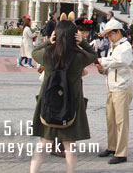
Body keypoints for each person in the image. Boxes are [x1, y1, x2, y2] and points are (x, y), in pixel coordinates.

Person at [29, 20, 97, 173]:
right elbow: (93, 56)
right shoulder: (79, 57)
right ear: (74, 36)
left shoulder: (47, 54)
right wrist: (83, 43)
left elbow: (33, 53)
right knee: (70, 146)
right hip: (71, 105)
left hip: (49, 104)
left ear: (57, 34)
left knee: (43, 143)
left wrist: (48, 41)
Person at [95, 18, 133, 165]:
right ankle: (112, 146)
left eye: (110, 35)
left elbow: (121, 62)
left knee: (121, 121)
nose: (109, 38)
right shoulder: (114, 46)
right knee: (111, 120)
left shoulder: (125, 46)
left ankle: (121, 152)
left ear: (118, 32)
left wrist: (102, 61)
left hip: (122, 87)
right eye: (107, 36)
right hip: (112, 86)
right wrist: (102, 69)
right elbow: (111, 67)